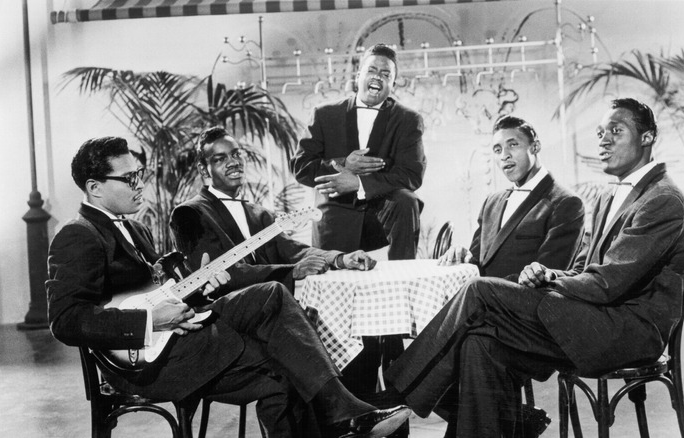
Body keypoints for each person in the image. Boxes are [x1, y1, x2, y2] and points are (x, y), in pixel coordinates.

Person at [46, 137, 410, 438]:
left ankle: (346, 414)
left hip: (177, 342)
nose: (139, 183)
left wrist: (200, 288)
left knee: (285, 358)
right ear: (94, 187)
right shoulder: (78, 235)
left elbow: (163, 294)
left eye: (140, 173)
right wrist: (149, 321)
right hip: (144, 366)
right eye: (128, 178)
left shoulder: (135, 229)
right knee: (283, 342)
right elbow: (65, 321)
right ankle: (347, 413)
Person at [380, 98, 684, 437]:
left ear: (647, 138)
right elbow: (586, 269)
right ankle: (508, 421)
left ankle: (397, 393)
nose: (602, 141)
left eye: (615, 132)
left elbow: (608, 283)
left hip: (626, 331)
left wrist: (547, 284)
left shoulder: (662, 199)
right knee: (480, 343)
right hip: (598, 317)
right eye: (601, 132)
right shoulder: (609, 196)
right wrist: (552, 274)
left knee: (478, 290)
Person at [169, 126, 376, 295]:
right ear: (204, 169)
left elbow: (294, 250)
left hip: (273, 308)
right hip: (227, 320)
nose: (233, 162)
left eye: (235, 154)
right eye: (220, 159)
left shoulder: (259, 213)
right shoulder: (189, 213)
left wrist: (340, 259)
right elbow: (220, 273)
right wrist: (292, 271)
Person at [291, 43, 426, 261]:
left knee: (407, 200)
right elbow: (301, 166)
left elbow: (411, 174)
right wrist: (344, 164)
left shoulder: (407, 120)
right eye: (372, 70)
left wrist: (361, 184)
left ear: (393, 83)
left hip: (381, 216)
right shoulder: (324, 114)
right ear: (358, 75)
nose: (378, 77)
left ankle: (404, 274)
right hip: (335, 214)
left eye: (386, 74)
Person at [438, 115, 585, 280]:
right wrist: (464, 257)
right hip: (479, 300)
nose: (504, 156)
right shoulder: (491, 203)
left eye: (513, 145)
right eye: (497, 150)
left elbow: (546, 279)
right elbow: (478, 265)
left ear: (535, 147)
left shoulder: (566, 203)